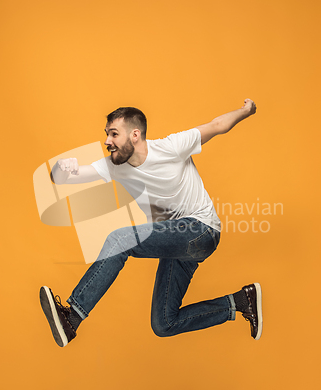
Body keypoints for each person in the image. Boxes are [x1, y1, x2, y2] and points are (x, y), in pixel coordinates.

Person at [40, 99, 262, 348]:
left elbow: (217, 125)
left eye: (114, 134)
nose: (107, 142)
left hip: (201, 230)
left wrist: (245, 111)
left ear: (135, 135)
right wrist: (61, 168)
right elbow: (62, 179)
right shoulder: (115, 166)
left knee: (120, 239)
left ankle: (73, 317)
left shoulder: (171, 147)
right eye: (106, 135)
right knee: (164, 323)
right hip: (175, 243)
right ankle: (241, 302)